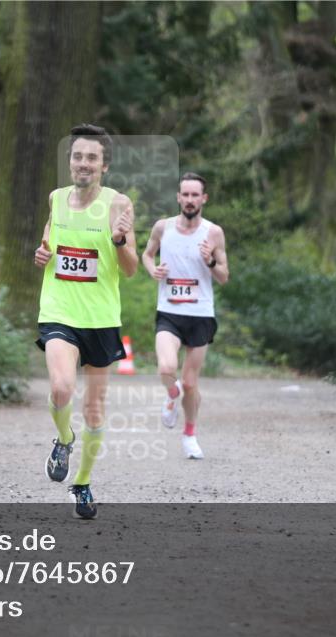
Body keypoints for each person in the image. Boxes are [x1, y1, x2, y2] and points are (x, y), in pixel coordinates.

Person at [34, 123, 138, 519]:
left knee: (94, 409)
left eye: (92, 158)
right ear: (70, 162)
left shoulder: (118, 204)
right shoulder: (56, 199)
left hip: (100, 318)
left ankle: (83, 483)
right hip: (59, 309)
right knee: (61, 388)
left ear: (104, 166)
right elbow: (47, 245)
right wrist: (41, 255)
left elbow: (129, 270)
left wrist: (117, 241)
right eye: (78, 156)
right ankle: (64, 438)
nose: (83, 163)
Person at [141, 172, 228, 459]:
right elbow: (147, 254)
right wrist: (153, 270)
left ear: (204, 198)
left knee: (191, 383)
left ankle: (190, 434)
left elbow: (224, 276)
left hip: (200, 313)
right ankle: (171, 394)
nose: (189, 200)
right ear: (178, 197)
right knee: (167, 368)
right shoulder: (163, 227)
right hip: (169, 311)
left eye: (195, 195)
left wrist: (210, 260)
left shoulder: (213, 233)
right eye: (185, 195)